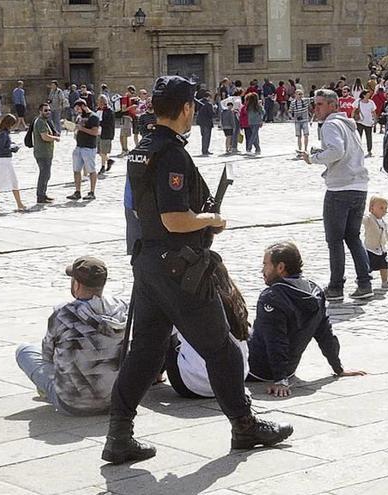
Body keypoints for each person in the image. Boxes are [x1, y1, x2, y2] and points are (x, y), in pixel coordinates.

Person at [106, 75, 292, 466]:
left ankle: (118, 434)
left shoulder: (142, 148)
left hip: (149, 262)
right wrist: (211, 218)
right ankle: (244, 425)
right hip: (178, 267)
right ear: (187, 108)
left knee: (146, 351)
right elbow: (175, 218)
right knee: (222, 350)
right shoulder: (172, 153)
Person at [247, 241, 366, 397]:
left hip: (257, 370)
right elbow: (325, 333)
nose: (262, 270)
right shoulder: (315, 292)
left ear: (281, 268)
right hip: (289, 370)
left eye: (266, 265)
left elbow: (275, 340)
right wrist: (338, 368)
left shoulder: (271, 297)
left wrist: (280, 380)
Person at [16, 256, 128, 415]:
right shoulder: (121, 309)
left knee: (24, 351)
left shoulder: (63, 313)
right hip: (114, 401)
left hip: (71, 403)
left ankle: (48, 390)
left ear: (77, 284)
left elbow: (47, 356)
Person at [300, 89, 372, 301]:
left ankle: (336, 286)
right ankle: (365, 283)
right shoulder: (348, 125)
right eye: (315, 104)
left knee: (335, 240)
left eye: (320, 104)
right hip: (359, 186)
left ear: (333, 105)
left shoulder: (331, 124)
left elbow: (337, 151)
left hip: (340, 189)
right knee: (353, 237)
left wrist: (313, 158)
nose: (316, 108)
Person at [165, 261, 249, 399]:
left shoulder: (191, 300)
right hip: (236, 382)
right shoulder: (235, 299)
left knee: (164, 329)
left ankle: (154, 375)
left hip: (195, 386)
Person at [0, 114, 25, 212]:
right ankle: (19, 204)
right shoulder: (3, 134)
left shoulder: (2, 132)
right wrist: (13, 148)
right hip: (4, 161)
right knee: (13, 182)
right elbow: (1, 149)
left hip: (2, 161)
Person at [67, 99, 100, 201]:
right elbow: (77, 128)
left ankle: (92, 192)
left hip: (89, 147)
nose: (77, 111)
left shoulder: (93, 117)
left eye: (78, 108)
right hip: (78, 146)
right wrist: (70, 126)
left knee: (91, 170)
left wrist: (82, 129)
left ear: (83, 106)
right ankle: (77, 191)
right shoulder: (79, 117)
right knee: (76, 170)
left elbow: (95, 132)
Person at [362, 196, 388, 290]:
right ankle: (363, 279)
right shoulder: (369, 219)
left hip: (382, 249)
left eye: (386, 208)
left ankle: (385, 281)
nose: (384, 210)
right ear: (371, 208)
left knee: (384, 266)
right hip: (371, 248)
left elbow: (385, 234)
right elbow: (361, 220)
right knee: (368, 267)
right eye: (381, 208)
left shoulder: (383, 223)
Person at [32, 103, 61, 204]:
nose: (48, 112)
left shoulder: (46, 121)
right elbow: (44, 136)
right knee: (44, 174)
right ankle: (40, 196)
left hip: (47, 152)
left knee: (46, 174)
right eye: (45, 110)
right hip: (42, 153)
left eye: (49, 110)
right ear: (40, 111)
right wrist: (55, 138)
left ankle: (43, 194)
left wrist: (54, 134)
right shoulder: (40, 122)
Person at [353, 89, 377, 156]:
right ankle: (357, 151)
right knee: (358, 137)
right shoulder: (358, 101)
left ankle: (369, 151)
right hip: (359, 121)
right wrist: (352, 118)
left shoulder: (371, 102)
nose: (369, 95)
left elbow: (373, 112)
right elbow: (353, 110)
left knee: (369, 137)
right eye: (367, 94)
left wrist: (375, 120)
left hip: (368, 122)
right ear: (363, 95)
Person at [96, 94, 115, 175]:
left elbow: (108, 123)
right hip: (98, 133)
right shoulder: (98, 110)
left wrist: (98, 123)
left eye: (100, 102)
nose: (98, 103)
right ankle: (107, 162)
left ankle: (104, 166)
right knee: (100, 151)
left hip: (106, 133)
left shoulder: (109, 111)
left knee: (103, 152)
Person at [194, 91, 216, 156]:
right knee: (207, 137)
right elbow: (212, 114)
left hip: (201, 122)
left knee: (203, 136)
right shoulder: (209, 104)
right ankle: (205, 150)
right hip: (207, 122)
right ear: (208, 97)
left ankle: (204, 150)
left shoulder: (199, 102)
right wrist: (214, 108)